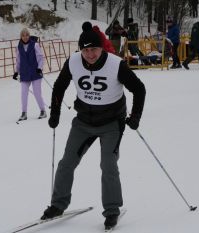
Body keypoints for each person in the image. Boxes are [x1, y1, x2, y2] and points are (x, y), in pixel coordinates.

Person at [40, 22, 146, 230]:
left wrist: (135, 116)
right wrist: (55, 113)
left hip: (111, 123)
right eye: (85, 50)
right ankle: (57, 205)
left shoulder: (116, 64)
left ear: (101, 48)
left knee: (108, 165)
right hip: (83, 122)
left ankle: (112, 210)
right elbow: (59, 87)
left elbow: (139, 89)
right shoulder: (73, 62)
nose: (89, 54)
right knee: (66, 163)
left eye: (94, 49)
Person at [13, 28, 47, 121]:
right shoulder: (18, 47)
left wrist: (39, 68)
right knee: (23, 93)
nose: (25, 37)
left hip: (35, 72)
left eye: (27, 35)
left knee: (37, 93)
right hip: (24, 73)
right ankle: (24, 113)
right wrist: (16, 72)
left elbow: (40, 57)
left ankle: (43, 111)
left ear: (29, 36)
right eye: (23, 35)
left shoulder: (35, 45)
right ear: (21, 37)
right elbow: (18, 61)